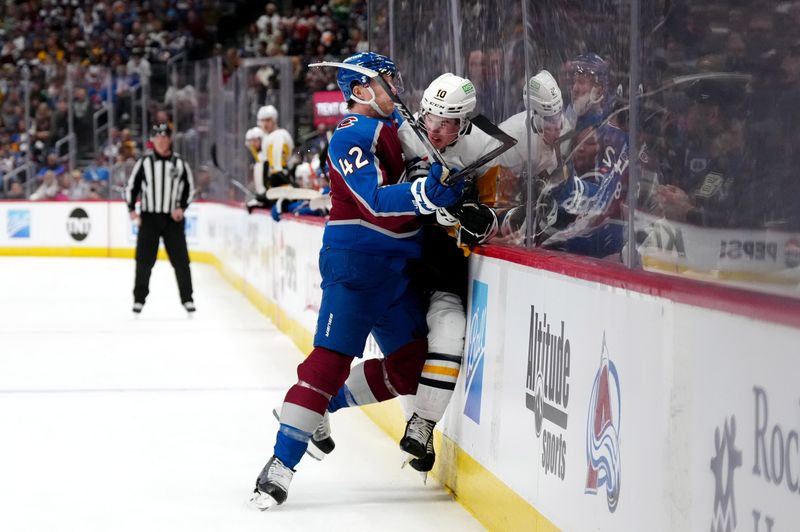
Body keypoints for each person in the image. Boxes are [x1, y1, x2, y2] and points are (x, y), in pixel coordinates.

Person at [250, 52, 464, 510]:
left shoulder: (391, 130)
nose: (396, 89)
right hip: (357, 266)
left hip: (395, 270)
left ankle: (324, 407)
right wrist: (428, 193)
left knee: (414, 364)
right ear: (362, 89)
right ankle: (280, 464)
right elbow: (371, 200)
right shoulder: (352, 132)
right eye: (387, 81)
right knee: (328, 361)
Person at [125, 123, 197, 314]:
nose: (161, 140)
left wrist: (181, 208)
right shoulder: (144, 163)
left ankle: (187, 298)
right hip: (149, 218)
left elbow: (190, 188)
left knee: (181, 260)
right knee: (144, 260)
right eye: (157, 137)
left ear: (170, 139)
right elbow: (132, 187)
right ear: (152, 140)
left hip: (172, 219)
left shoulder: (179, 163)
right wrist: (132, 209)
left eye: (164, 137)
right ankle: (139, 299)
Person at [246, 104, 295, 211]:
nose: (265, 124)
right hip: (276, 189)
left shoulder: (278, 136)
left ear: (274, 120)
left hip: (282, 189)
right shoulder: (269, 137)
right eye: (262, 120)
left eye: (268, 120)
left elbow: (278, 169)